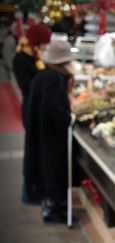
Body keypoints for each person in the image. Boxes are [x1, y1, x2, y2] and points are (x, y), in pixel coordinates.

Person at [23, 39, 75, 223]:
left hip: (40, 135)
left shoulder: (42, 76)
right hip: (50, 139)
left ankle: (51, 205)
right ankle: (54, 209)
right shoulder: (54, 80)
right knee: (53, 174)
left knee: (46, 173)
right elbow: (54, 110)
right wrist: (67, 118)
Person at [13, 23, 51, 124]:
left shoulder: (37, 55)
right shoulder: (21, 58)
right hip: (31, 107)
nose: (46, 46)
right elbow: (25, 86)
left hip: (41, 105)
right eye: (44, 43)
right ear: (37, 41)